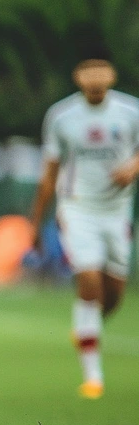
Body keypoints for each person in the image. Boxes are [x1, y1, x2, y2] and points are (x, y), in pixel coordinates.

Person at [30, 47, 139, 399]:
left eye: (101, 70)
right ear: (78, 77)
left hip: (117, 211)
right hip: (78, 209)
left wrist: (133, 167)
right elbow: (50, 172)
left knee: (114, 297)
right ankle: (93, 377)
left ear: (111, 75)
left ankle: (85, 328)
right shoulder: (62, 116)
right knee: (89, 282)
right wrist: (35, 223)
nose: (95, 77)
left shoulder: (130, 112)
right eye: (87, 70)